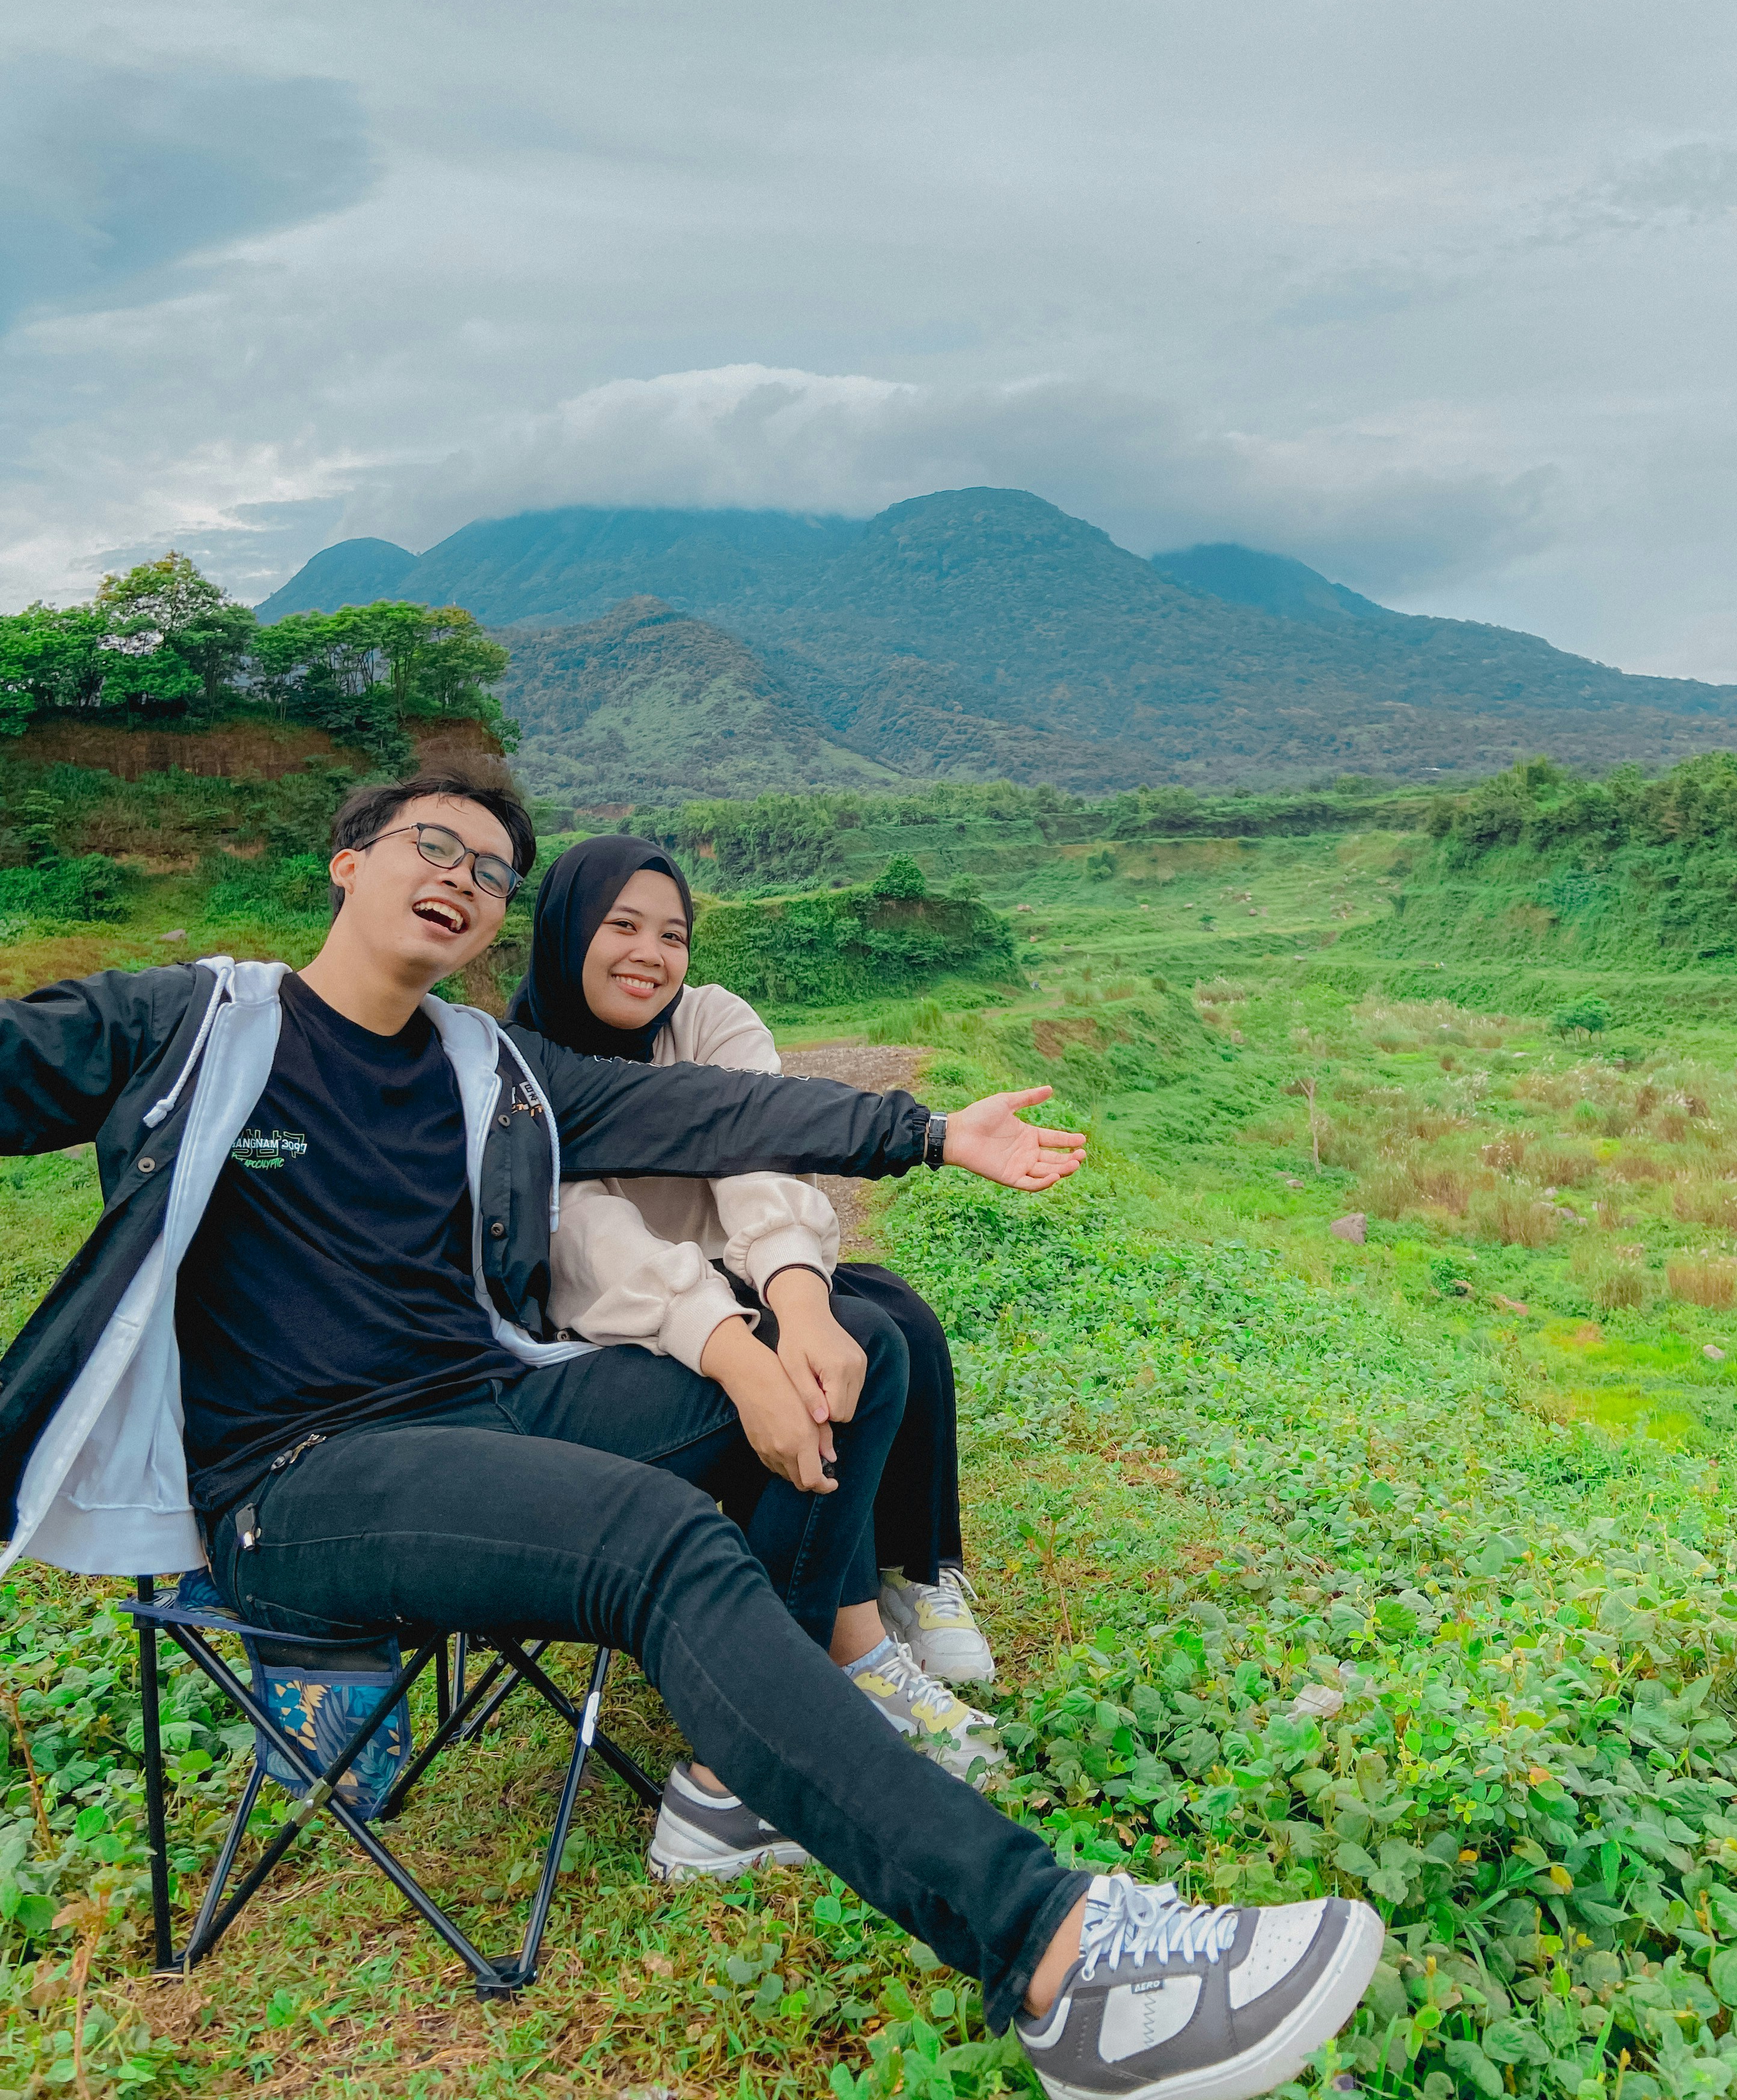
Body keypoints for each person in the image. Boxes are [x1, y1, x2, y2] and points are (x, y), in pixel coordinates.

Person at [0, 773, 1383, 2100]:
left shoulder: (495, 1068)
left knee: (848, 1356)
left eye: (490, 873)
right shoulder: (189, 1024)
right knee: (651, 1538)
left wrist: (926, 1132)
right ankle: (1062, 1961)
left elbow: (722, 1109)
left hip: (482, 1406)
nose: (462, 882)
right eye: (434, 848)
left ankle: (734, 1786)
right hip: (297, 1482)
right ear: (349, 862)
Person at [506, 833, 997, 1783]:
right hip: (611, 1324)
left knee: (896, 1313)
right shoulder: (523, 1073)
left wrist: (797, 1299)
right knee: (859, 1343)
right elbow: (590, 1243)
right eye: (622, 927)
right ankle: (846, 1656)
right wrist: (739, 1339)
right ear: (565, 931)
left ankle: (913, 1576)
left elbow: (756, 1143)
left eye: (674, 935)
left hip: (730, 1277)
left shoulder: (711, 1018)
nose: (651, 954)